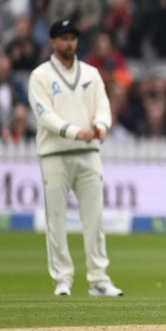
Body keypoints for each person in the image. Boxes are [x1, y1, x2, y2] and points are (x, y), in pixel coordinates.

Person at [28, 19, 123, 297]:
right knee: (55, 218)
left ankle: (98, 279)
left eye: (73, 38)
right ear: (52, 42)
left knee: (94, 218)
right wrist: (73, 132)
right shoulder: (40, 76)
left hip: (88, 153)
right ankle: (62, 279)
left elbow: (103, 108)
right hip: (55, 154)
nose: (69, 43)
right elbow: (44, 115)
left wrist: (101, 127)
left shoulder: (91, 73)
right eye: (64, 38)